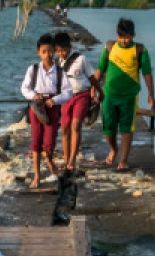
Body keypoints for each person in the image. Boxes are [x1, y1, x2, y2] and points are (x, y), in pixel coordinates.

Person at [93, 17, 155, 172]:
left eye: (127, 37)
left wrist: (151, 94)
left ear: (133, 35)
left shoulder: (140, 50)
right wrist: (94, 87)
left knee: (126, 128)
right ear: (117, 35)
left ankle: (123, 160)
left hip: (129, 96)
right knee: (108, 129)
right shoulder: (109, 47)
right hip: (109, 95)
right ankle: (113, 149)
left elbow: (147, 73)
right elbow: (100, 68)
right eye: (121, 37)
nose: (124, 40)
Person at [20, 33, 72, 189]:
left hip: (53, 108)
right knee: (36, 142)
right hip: (36, 108)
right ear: (38, 53)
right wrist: (33, 95)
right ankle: (37, 175)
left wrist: (54, 100)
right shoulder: (33, 69)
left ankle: (48, 158)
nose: (47, 55)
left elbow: (68, 92)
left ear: (55, 51)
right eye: (44, 51)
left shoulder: (60, 72)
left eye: (50, 51)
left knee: (49, 142)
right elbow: (24, 88)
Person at [54, 32, 99, 173]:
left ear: (70, 46)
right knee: (65, 128)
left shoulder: (81, 59)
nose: (62, 53)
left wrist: (99, 91)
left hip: (82, 95)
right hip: (66, 98)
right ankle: (66, 158)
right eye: (59, 50)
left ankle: (72, 160)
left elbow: (92, 78)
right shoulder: (57, 62)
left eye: (64, 50)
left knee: (75, 125)